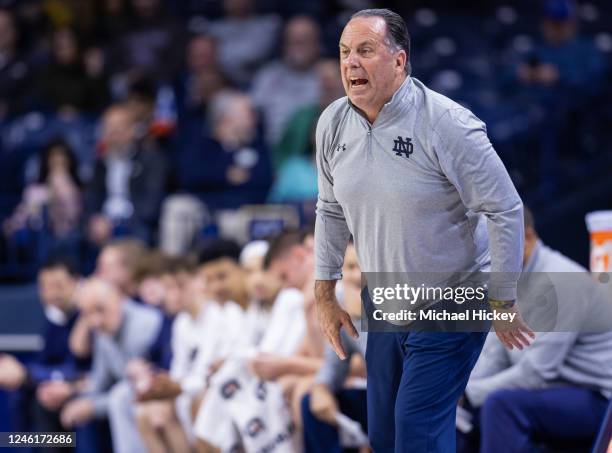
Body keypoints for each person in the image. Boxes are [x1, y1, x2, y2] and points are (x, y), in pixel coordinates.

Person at [313, 9, 533, 452]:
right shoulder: (332, 123)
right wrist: (325, 293)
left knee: (417, 430)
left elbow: (506, 208)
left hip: (453, 298)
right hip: (386, 299)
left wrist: (502, 297)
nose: (351, 63)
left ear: (399, 61)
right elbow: (330, 210)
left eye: (366, 51)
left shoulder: (447, 123)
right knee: (386, 435)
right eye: (344, 53)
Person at [457, 207, 612, 453]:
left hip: (595, 398)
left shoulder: (562, 280)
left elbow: (537, 373)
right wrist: (456, 393)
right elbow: (495, 356)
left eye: (496, 246)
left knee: (499, 405)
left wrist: (467, 395)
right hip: (550, 390)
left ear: (526, 237)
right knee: (458, 416)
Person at [60, 277, 163, 453]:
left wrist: (92, 407)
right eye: (87, 314)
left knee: (118, 397)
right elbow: (99, 381)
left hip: (156, 397)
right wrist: (73, 394)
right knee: (75, 409)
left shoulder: (143, 325)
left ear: (119, 298)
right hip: (128, 397)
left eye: (100, 309)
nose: (95, 321)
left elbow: (141, 389)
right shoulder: (103, 331)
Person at [85, 103, 168, 246]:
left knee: (140, 233)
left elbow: (152, 201)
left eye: (119, 127)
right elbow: (92, 197)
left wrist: (125, 223)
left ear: (132, 130)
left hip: (136, 222)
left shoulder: (150, 158)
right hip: (105, 223)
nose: (113, 133)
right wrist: (96, 219)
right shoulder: (100, 163)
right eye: (108, 127)